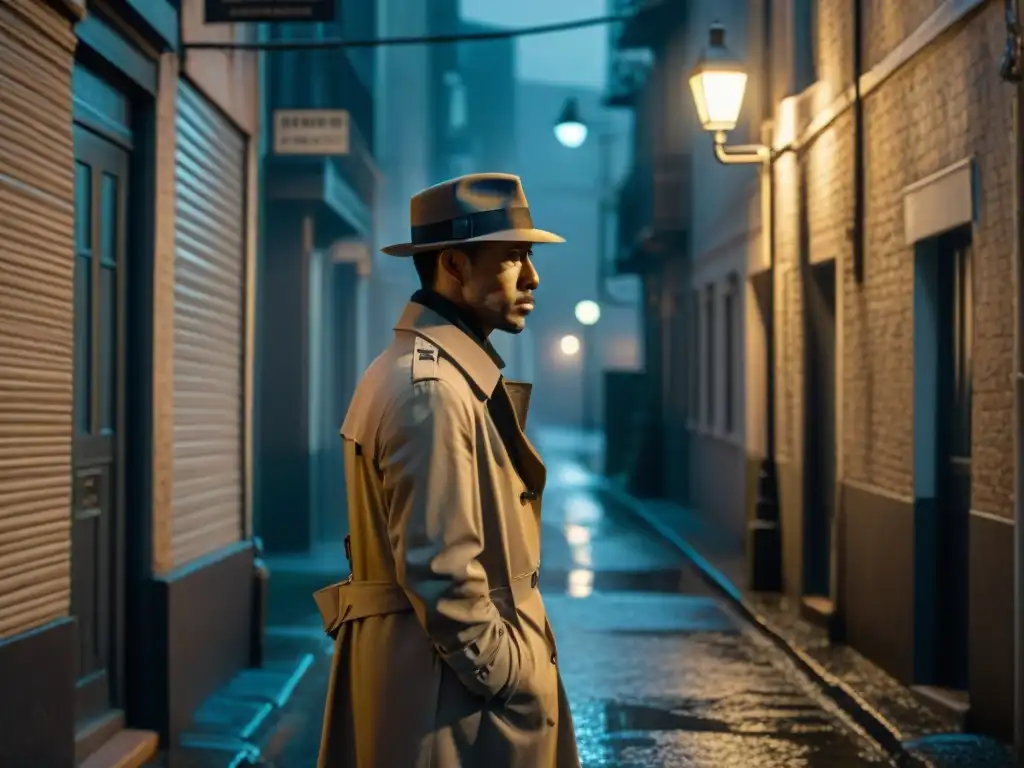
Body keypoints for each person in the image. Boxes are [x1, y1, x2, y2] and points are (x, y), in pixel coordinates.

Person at [314, 173, 580, 767]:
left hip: (435, 690)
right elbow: (441, 570)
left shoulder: (426, 373)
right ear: (455, 264)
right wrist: (508, 675)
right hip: (447, 708)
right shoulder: (431, 391)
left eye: (529, 256)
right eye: (512, 257)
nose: (532, 277)